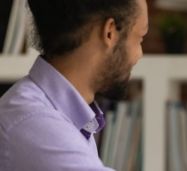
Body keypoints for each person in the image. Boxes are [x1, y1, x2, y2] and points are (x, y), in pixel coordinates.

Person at [0, 0, 148, 170]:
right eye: (140, 38)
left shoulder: (60, 118)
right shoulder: (34, 124)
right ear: (110, 32)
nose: (139, 55)